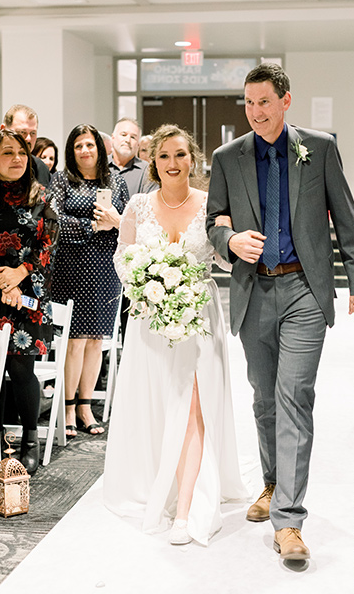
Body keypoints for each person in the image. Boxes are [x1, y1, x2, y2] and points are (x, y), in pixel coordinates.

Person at [206, 63, 354, 561]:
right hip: (253, 291)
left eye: (264, 102)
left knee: (295, 394)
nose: (255, 112)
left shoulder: (317, 147)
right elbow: (214, 220)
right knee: (264, 398)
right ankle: (273, 484)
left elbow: (345, 215)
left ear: (286, 101)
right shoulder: (228, 157)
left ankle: (289, 522)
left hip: (303, 287)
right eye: (249, 103)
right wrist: (230, 239)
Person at [104, 124, 247, 547]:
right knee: (158, 403)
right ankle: (158, 483)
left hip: (199, 316)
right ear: (154, 161)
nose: (172, 163)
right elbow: (121, 259)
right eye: (164, 155)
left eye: (181, 155)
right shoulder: (136, 206)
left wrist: (232, 247)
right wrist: (148, 283)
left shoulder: (209, 206)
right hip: (150, 319)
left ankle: (187, 508)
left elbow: (223, 259)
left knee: (192, 406)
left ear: (193, 159)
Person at [0, 129, 58, 474]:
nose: (17, 159)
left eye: (21, 152)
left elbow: (48, 246)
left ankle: (30, 440)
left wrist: (19, 274)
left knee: (22, 368)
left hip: (29, 291)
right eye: (8, 153)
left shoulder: (42, 196)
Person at [50, 125, 129, 438]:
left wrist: (114, 222)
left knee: (96, 341)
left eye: (90, 145)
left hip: (106, 268)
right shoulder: (61, 180)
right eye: (78, 145)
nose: (85, 150)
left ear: (100, 148)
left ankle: (85, 408)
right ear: (72, 151)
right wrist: (92, 227)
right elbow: (54, 220)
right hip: (71, 267)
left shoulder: (116, 181)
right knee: (75, 341)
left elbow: (128, 222)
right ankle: (68, 409)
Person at [109, 118, 158, 341]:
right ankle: (100, 377)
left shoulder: (148, 172)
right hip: (97, 256)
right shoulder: (98, 168)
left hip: (134, 260)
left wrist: (115, 220)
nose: (128, 140)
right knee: (98, 332)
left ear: (138, 144)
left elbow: (147, 218)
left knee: (132, 327)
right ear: (112, 138)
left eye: (133, 136)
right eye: (123, 134)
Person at [0, 105, 51, 189]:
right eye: (22, 132)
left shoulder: (40, 168)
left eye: (33, 133)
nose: (28, 139)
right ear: (3, 130)